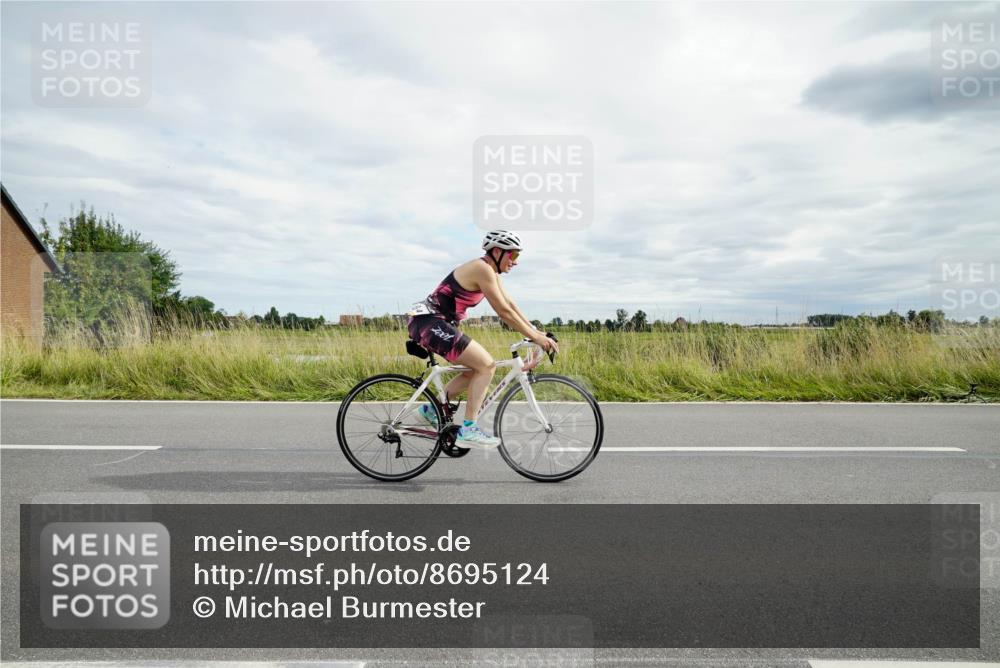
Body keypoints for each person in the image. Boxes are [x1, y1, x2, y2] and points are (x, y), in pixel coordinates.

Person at [407, 230, 559, 448]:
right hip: (429, 322)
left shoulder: (491, 273)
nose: (515, 262)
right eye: (513, 255)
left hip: (434, 322)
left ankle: (431, 410)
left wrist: (536, 332)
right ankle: (468, 430)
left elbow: (511, 305)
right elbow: (503, 312)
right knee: (486, 366)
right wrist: (533, 336)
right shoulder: (482, 269)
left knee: (473, 370)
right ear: (497, 252)